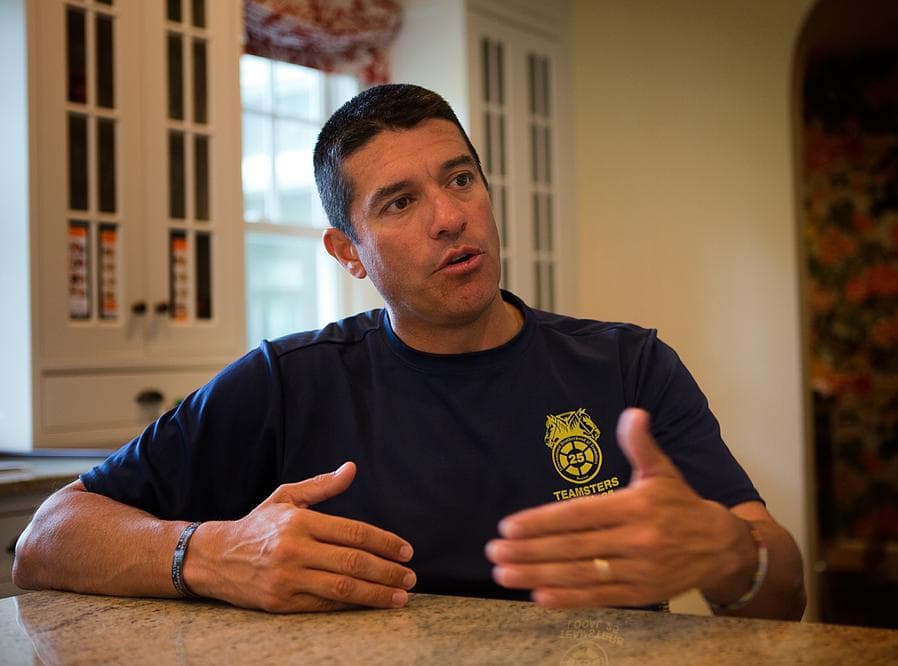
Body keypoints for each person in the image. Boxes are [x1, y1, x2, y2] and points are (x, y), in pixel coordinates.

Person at [14, 84, 806, 620]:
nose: (450, 217)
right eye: (399, 202)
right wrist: (208, 553)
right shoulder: (285, 383)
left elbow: (786, 594)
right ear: (347, 252)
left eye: (460, 180)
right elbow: (47, 538)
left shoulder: (629, 367)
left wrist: (727, 553)